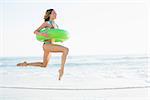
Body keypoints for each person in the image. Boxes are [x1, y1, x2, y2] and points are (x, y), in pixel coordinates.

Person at [17, 9, 69, 80]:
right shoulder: (47, 23)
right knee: (65, 50)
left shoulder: (56, 25)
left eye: (56, 13)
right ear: (49, 15)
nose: (56, 14)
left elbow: (55, 36)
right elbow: (35, 31)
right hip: (47, 45)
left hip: (51, 45)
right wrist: (42, 34)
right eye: (54, 13)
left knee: (44, 65)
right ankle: (61, 70)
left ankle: (26, 64)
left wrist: (60, 40)